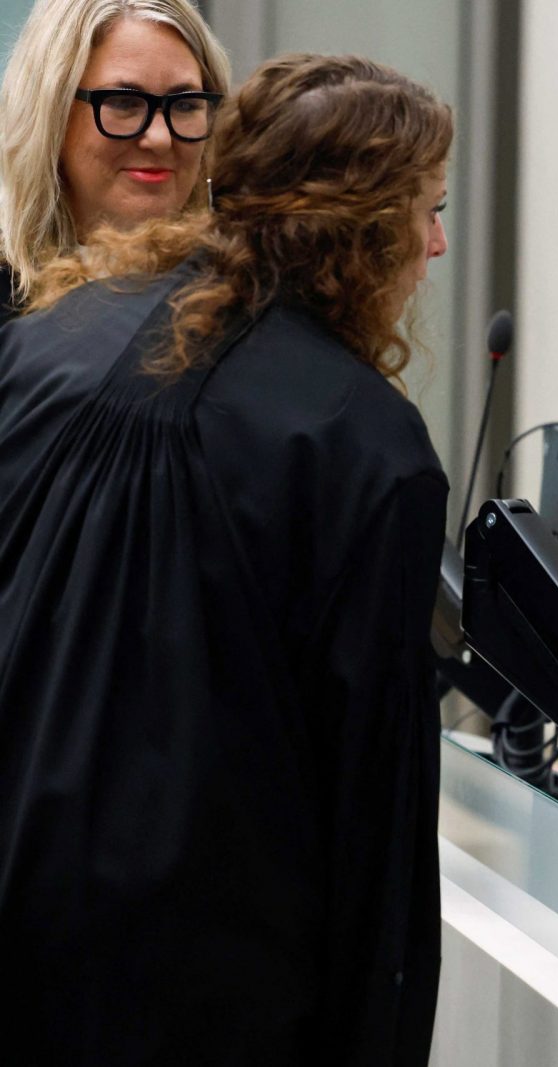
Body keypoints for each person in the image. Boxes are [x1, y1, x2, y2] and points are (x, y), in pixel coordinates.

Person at [0, 53, 451, 1063]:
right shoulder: (362, 444)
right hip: (195, 995)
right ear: (366, 227)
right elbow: (372, 819)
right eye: (427, 208)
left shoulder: (46, 339)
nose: (439, 241)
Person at [0, 0, 231, 326]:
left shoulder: (241, 294)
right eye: (124, 102)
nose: (161, 138)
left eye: (185, 104)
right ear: (52, 115)